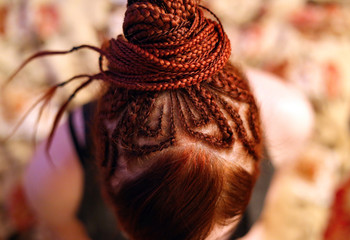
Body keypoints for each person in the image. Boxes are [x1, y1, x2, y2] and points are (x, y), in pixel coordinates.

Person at [8, 0, 314, 239]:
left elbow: (275, 194)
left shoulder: (289, 117)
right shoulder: (51, 182)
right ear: (103, 178)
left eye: (221, 235)